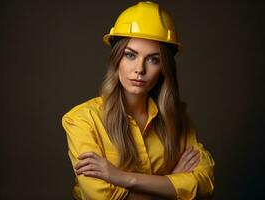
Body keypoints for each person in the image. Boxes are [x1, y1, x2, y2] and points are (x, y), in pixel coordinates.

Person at [62, 1, 215, 200]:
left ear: (164, 69)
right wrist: (173, 183)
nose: (139, 69)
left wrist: (124, 178)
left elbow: (205, 184)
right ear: (117, 60)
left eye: (154, 59)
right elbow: (101, 197)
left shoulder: (177, 117)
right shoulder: (82, 120)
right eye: (130, 55)